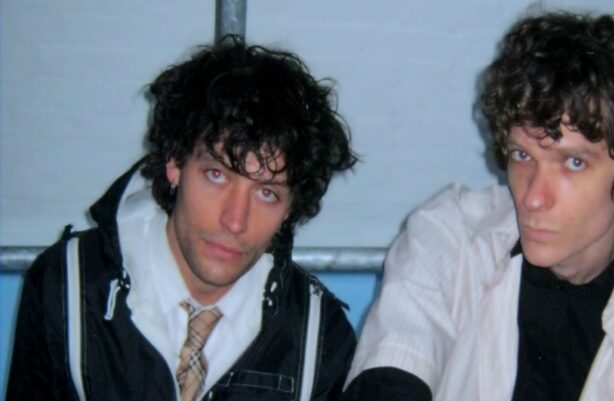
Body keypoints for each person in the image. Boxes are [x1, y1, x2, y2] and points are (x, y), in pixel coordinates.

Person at [342, 12, 614, 401]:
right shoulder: (450, 236)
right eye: (522, 155)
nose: (533, 197)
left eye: (574, 162)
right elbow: (393, 367)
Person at [7, 36, 358, 401]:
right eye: (216, 175)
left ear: (289, 210)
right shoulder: (68, 286)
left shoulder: (318, 336)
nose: (235, 221)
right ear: (175, 163)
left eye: (267, 193)